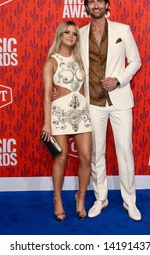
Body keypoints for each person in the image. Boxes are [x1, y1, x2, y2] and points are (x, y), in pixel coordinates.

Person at [53, 0, 142, 221]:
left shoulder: (123, 30)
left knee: (125, 151)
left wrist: (119, 79)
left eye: (99, 1)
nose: (95, 5)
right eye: (91, 2)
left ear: (106, 4)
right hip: (92, 103)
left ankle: (129, 201)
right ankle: (100, 198)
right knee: (95, 154)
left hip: (120, 100)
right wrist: (57, 86)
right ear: (86, 7)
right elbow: (68, 62)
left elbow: (135, 60)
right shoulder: (80, 34)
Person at [42, 21, 92, 222]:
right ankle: (57, 199)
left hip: (81, 112)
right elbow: (47, 95)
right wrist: (47, 123)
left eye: (74, 33)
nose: (71, 36)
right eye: (67, 32)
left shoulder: (81, 59)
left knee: (86, 158)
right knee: (61, 156)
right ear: (60, 35)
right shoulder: (51, 62)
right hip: (59, 113)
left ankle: (80, 196)